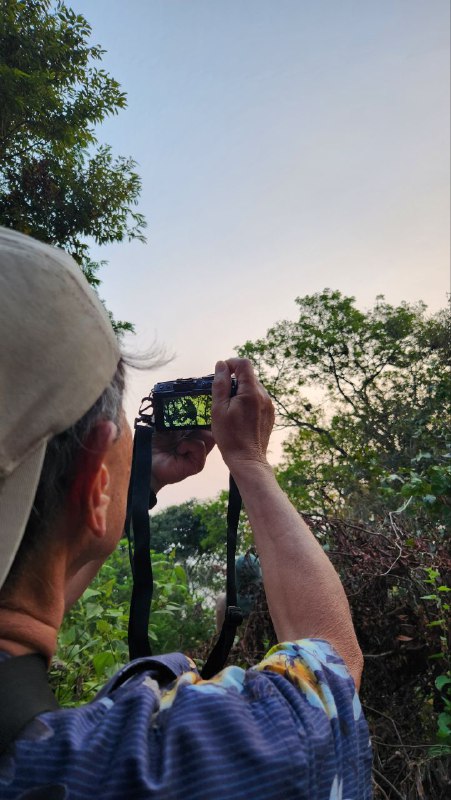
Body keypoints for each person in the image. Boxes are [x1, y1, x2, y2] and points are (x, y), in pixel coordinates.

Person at [0, 228, 372, 799]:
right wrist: (249, 462)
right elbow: (334, 661)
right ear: (91, 483)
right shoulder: (158, 770)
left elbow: (25, 586)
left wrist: (125, 481)